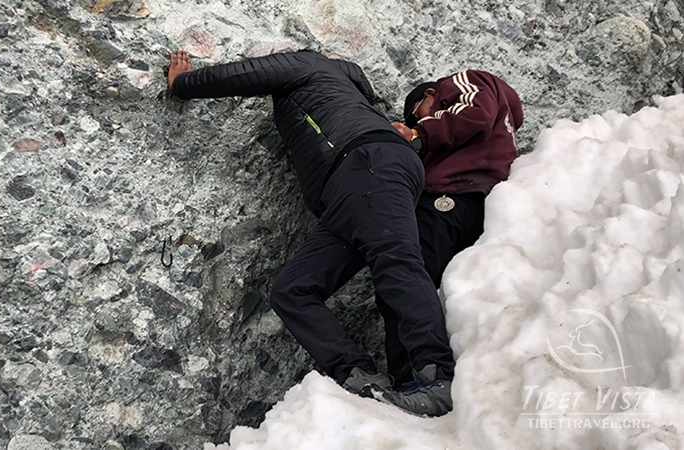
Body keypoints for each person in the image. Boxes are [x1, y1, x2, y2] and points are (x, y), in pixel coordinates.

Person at [168, 49, 454, 417]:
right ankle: (360, 377)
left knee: (396, 260)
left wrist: (182, 83)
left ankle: (437, 378)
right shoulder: (348, 82)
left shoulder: (308, 62)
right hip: (347, 189)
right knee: (292, 290)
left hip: (367, 164)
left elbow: (244, 73)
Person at [385, 70, 523, 385]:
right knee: (450, 295)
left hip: (445, 201)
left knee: (402, 281)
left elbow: (475, 112)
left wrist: (417, 134)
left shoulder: (461, 83)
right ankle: (451, 378)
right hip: (477, 207)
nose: (413, 123)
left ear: (429, 95)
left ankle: (413, 379)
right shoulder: (491, 140)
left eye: (414, 113)